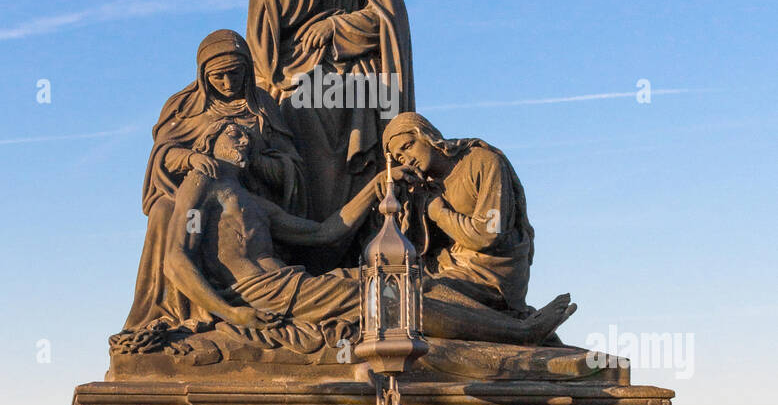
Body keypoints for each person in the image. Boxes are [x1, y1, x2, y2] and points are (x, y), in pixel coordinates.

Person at [163, 119, 574, 345]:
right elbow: (175, 259)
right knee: (387, 298)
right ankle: (519, 332)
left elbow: (325, 233)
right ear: (208, 140)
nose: (245, 141)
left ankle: (506, 322)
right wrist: (230, 312)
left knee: (399, 284)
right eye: (233, 133)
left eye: (249, 137)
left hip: (291, 284)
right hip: (265, 292)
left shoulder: (253, 201)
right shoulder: (204, 179)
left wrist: (374, 188)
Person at [246, 0, 414, 222]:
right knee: (294, 112)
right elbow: (267, 22)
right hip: (298, 71)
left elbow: (387, 18)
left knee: (358, 104)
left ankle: (361, 233)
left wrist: (335, 28)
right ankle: (308, 235)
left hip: (358, 67)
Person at [124, 29, 303, 329]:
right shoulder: (184, 106)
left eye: (235, 74)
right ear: (204, 75)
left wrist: (255, 162)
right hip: (197, 194)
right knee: (163, 214)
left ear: (247, 69)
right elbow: (164, 152)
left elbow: (290, 165)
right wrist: (190, 158)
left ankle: (237, 300)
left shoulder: (261, 106)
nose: (228, 83)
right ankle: (176, 312)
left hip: (249, 200)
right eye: (218, 77)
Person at [382, 112, 535, 315]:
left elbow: (489, 235)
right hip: (451, 267)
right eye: (400, 157)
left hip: (493, 273)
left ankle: (521, 330)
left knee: (414, 296)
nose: (408, 159)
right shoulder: (423, 187)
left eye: (408, 146)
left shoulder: (483, 162)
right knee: (382, 292)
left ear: (426, 135)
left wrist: (438, 212)